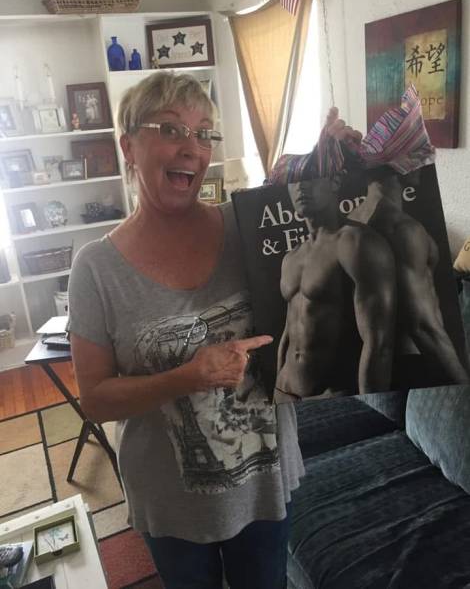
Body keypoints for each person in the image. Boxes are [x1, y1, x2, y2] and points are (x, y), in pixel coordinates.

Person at [67, 71, 304, 589]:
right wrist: (187, 377)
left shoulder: (246, 226)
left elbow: (328, 225)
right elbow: (97, 400)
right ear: (128, 147)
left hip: (264, 481)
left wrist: (344, 159)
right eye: (171, 129)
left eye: (203, 133)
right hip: (172, 500)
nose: (192, 148)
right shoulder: (95, 269)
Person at [349, 85, 469, 386]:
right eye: (421, 155)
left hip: (371, 377)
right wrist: (463, 389)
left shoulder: (351, 223)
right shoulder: (402, 231)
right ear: (402, 167)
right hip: (416, 375)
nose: (427, 163)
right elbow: (424, 328)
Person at [275, 108, 397, 401]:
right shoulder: (291, 257)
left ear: (334, 182)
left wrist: (369, 409)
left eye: (311, 177)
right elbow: (289, 333)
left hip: (329, 399)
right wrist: (275, 391)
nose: (300, 187)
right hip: (283, 392)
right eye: (294, 179)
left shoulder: (355, 243)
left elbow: (378, 343)